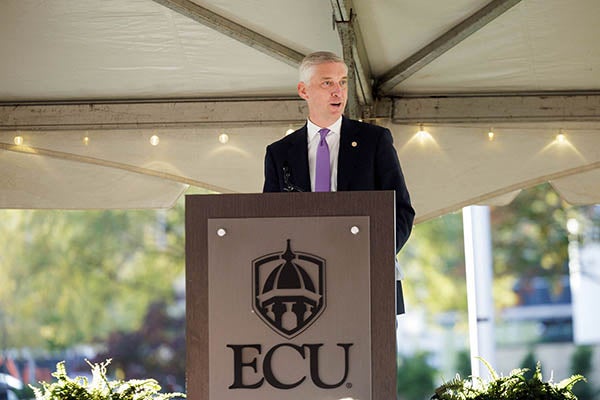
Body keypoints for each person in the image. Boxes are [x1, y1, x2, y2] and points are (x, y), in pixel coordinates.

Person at [262, 51, 415, 312]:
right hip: (303, 289)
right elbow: (269, 220)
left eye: (343, 82)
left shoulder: (374, 141)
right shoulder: (280, 153)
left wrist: (374, 256)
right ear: (303, 90)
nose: (338, 91)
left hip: (367, 280)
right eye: (327, 83)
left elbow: (401, 211)